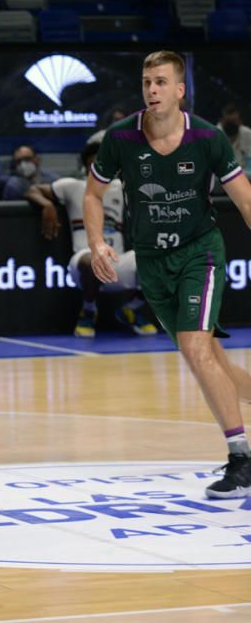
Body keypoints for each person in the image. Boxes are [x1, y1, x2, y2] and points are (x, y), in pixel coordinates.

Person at [87, 50, 251, 498]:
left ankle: (241, 458)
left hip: (200, 252)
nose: (152, 90)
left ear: (180, 90)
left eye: (161, 82)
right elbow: (93, 195)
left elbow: (245, 200)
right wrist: (97, 242)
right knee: (209, 359)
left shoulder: (207, 138)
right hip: (152, 262)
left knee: (198, 350)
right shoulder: (121, 138)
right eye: (146, 82)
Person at [26, 142, 157, 338]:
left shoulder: (122, 187)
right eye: (93, 165)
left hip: (118, 265)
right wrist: (47, 205)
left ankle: (132, 309)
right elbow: (32, 190)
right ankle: (88, 311)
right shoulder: (71, 186)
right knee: (92, 258)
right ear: (86, 166)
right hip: (83, 264)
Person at [218, 102, 251, 169]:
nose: (233, 124)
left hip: (244, 174)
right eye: (229, 122)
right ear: (222, 120)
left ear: (239, 120)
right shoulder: (215, 135)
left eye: (235, 121)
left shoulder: (247, 133)